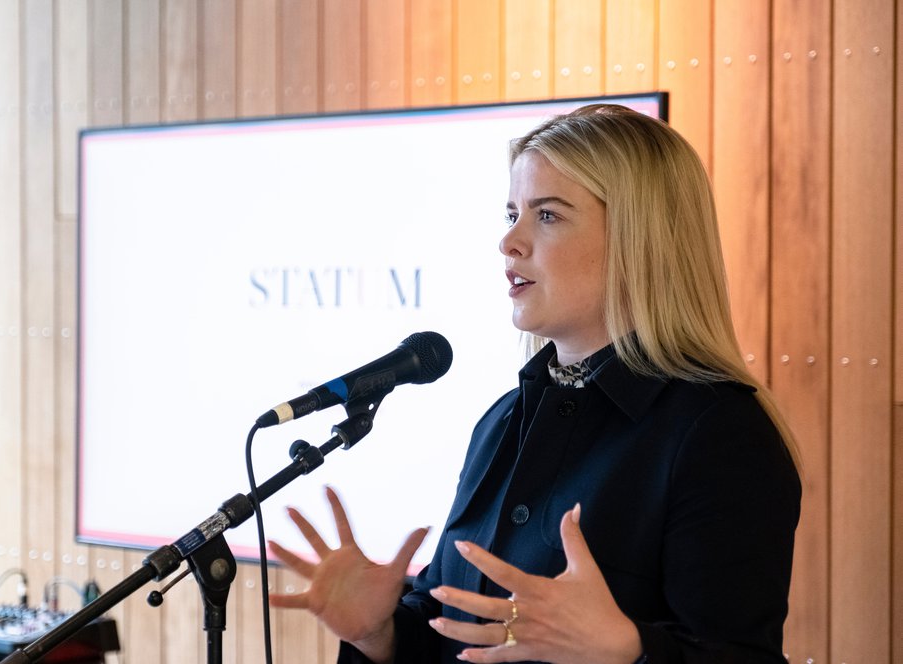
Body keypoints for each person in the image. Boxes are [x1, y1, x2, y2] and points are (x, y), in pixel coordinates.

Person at [268, 104, 802, 664]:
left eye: (547, 215)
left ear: (640, 239)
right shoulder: (503, 420)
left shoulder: (719, 432)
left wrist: (628, 649)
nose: (510, 242)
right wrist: (380, 634)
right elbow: (454, 627)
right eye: (511, 214)